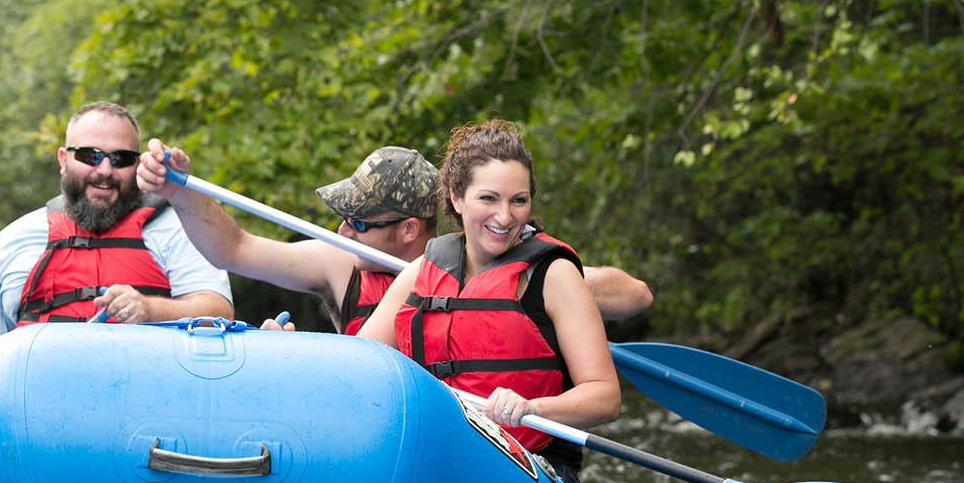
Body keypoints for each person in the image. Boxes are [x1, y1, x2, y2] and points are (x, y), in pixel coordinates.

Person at [357, 120, 621, 483]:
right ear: (457, 197)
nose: (505, 216)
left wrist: (532, 407)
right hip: (440, 465)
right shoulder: (420, 273)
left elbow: (605, 397)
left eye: (519, 200)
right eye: (489, 198)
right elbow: (361, 365)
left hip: (532, 468)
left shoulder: (554, 275)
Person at [136, 143, 653, 332]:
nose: (342, 231)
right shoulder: (339, 264)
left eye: (359, 224)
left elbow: (635, 295)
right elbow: (235, 249)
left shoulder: (491, 263)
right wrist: (182, 194)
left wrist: (534, 279)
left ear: (409, 229)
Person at [0, 101, 233, 351]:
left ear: (136, 165)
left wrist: (150, 308)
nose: (105, 171)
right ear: (64, 159)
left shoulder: (177, 228)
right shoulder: (16, 238)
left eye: (120, 159)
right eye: (90, 156)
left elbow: (219, 312)